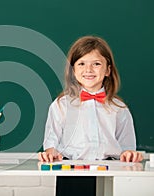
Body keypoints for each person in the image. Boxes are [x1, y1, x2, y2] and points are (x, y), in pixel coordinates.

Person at [38, 35, 143, 196]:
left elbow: (127, 147)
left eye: (96, 64)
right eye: (81, 64)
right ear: (73, 71)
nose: (88, 70)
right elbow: (51, 142)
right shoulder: (61, 105)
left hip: (109, 172)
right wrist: (51, 153)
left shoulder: (119, 108)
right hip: (71, 172)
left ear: (108, 69)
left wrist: (128, 154)